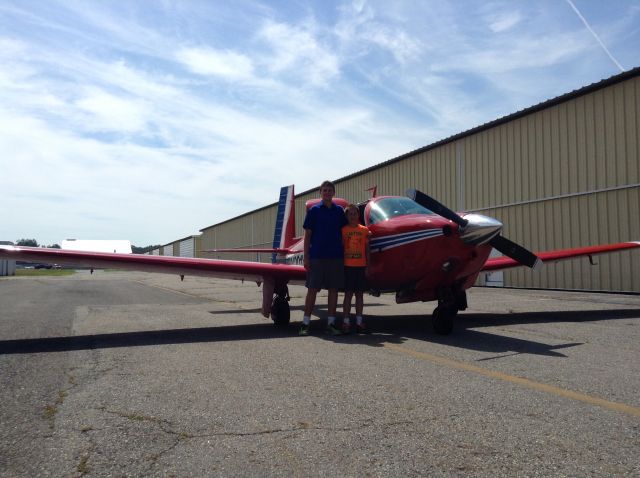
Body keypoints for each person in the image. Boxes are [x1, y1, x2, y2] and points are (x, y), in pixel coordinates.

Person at [299, 180, 348, 336]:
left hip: (335, 257)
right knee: (312, 290)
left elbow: (346, 231)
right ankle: (305, 323)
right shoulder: (314, 211)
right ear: (320, 193)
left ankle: (331, 323)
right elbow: (308, 235)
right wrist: (306, 257)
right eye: (324, 190)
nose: (327, 193)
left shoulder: (339, 211)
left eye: (330, 190)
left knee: (333, 290)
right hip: (317, 257)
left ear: (333, 193)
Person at [341, 204, 371, 334]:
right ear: (346, 216)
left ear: (358, 215)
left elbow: (367, 250)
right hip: (348, 267)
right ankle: (346, 322)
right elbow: (341, 249)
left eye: (355, 213)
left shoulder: (365, 230)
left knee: (359, 295)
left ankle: (359, 322)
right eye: (350, 214)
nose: (353, 216)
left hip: (360, 267)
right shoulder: (343, 230)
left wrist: (368, 266)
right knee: (348, 295)